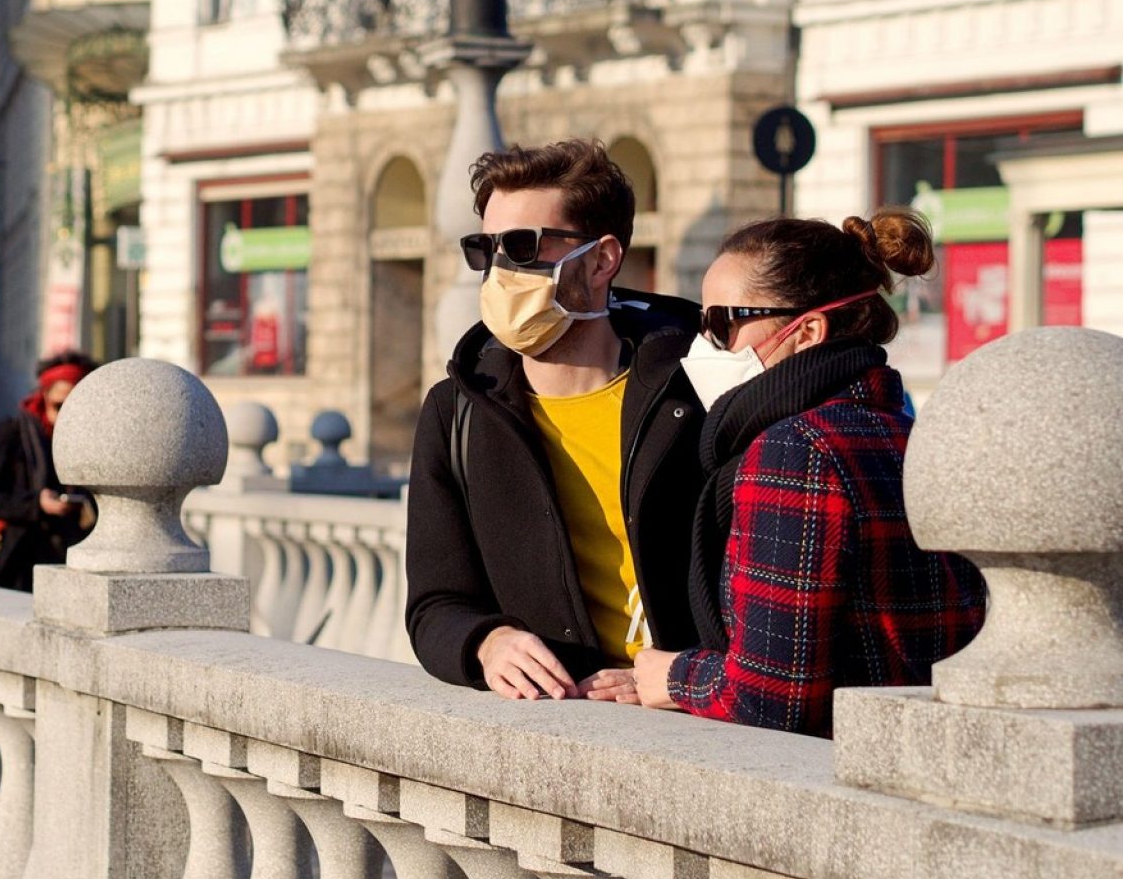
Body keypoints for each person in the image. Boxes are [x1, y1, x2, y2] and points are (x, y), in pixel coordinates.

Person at [598, 210, 986, 736]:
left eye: (723, 324)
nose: (704, 345)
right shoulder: (912, 434)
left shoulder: (794, 451)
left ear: (807, 332)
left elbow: (771, 697)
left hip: (843, 763)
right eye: (702, 323)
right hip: (925, 745)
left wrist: (673, 675)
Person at [405, 138, 706, 701]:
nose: (500, 271)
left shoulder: (697, 393)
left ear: (602, 260)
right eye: (486, 249)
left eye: (523, 247)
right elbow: (434, 605)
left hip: (694, 722)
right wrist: (488, 642)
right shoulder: (456, 412)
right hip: (556, 722)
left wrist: (686, 677)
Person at [0, 356, 98, 591]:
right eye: (59, 406)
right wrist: (37, 503)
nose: (66, 416)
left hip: (73, 558)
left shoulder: (92, 439)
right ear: (44, 395)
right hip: (20, 560)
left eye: (75, 408)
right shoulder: (14, 432)